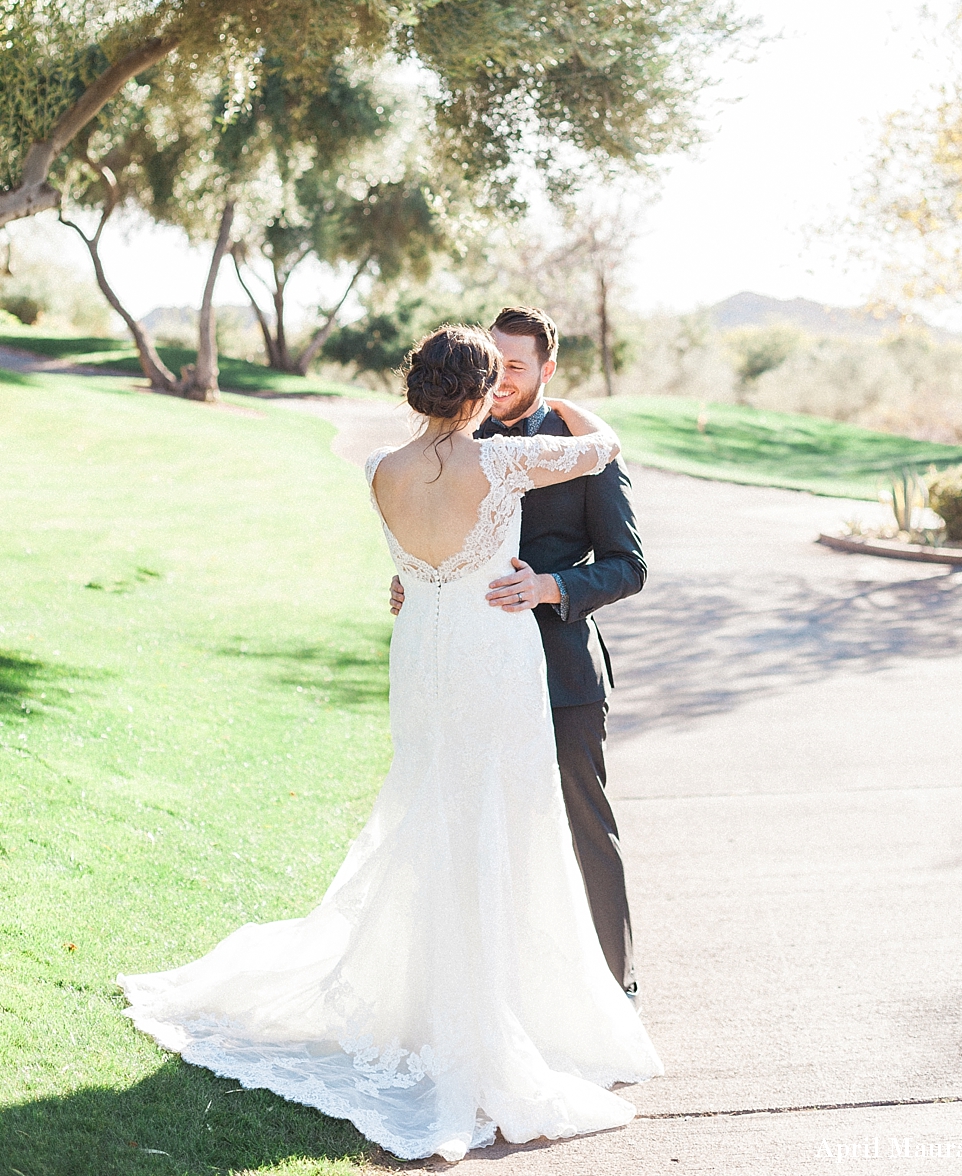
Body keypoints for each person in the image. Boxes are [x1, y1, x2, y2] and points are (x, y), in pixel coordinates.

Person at [117, 324, 662, 1164]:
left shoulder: (378, 469)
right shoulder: (507, 462)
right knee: (491, 812)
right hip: (489, 649)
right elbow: (605, 446)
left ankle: (436, 995)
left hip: (423, 653)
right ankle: (477, 1013)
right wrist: (565, 401)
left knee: (434, 805)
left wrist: (426, 575)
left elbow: (420, 564)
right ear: (481, 395)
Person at [391, 306, 645, 995]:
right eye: (491, 365)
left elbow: (628, 565)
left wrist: (552, 585)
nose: (501, 379)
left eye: (516, 367)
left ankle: (613, 983)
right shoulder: (449, 445)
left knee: (580, 824)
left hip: (559, 672)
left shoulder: (569, 442)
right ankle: (500, 985)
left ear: (545, 372)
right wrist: (416, 577)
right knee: (473, 825)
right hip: (468, 670)